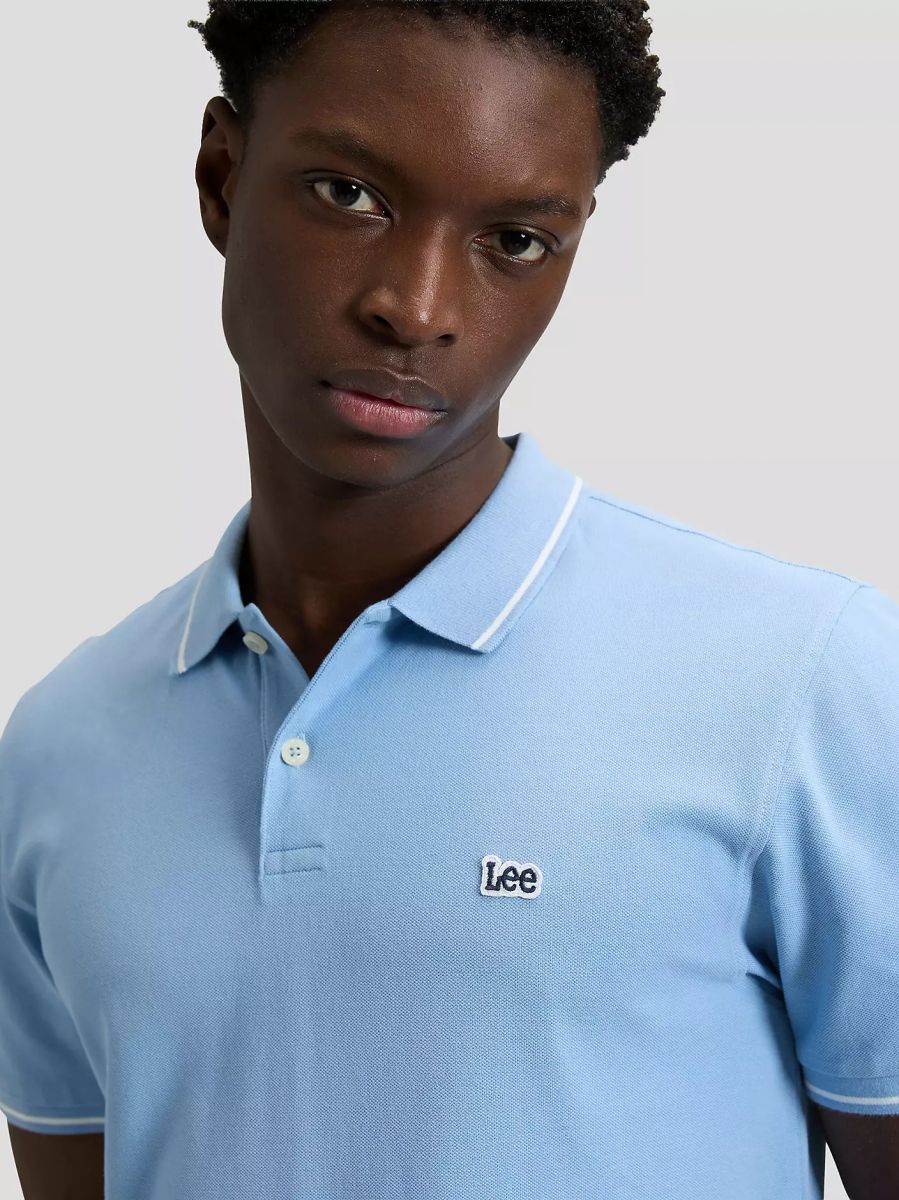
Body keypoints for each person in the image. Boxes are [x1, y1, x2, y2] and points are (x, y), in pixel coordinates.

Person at [1, 2, 897, 1197]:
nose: (415, 307)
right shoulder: (61, 747)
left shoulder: (801, 680)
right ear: (220, 177)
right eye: (348, 196)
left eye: (514, 239)